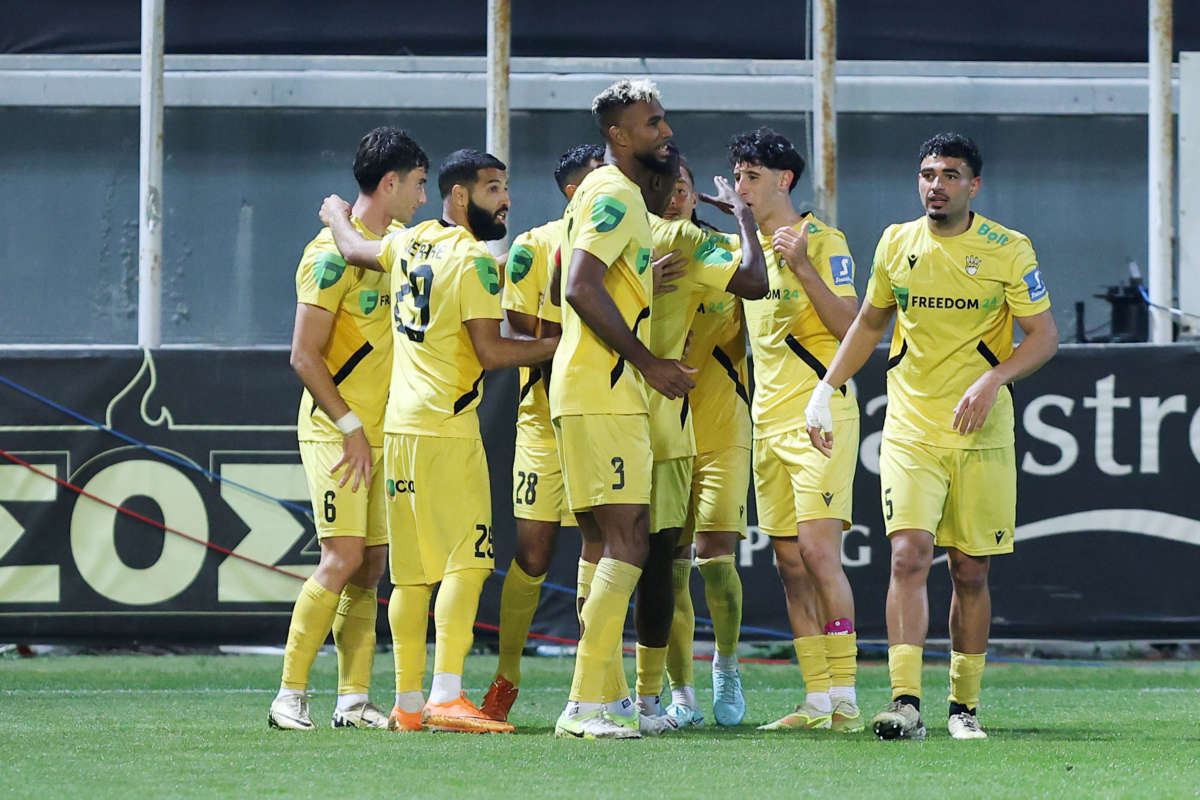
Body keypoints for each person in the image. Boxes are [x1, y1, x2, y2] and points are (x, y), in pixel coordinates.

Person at [805, 132, 1058, 740]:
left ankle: (963, 707)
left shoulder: (1008, 248)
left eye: (949, 175)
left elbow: (1044, 336)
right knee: (908, 555)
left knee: (970, 570)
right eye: (927, 174)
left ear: (974, 185)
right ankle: (906, 703)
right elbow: (869, 324)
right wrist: (825, 388)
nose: (935, 185)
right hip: (910, 427)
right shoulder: (896, 242)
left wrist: (993, 379)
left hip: (979, 431)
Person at [319, 148, 559, 734]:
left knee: (410, 575)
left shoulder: (411, 240)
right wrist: (563, 344)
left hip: (400, 427)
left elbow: (352, 248)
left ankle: (407, 704)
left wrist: (335, 215)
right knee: (469, 564)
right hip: (447, 431)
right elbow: (491, 351)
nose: (506, 200)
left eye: (506, 187)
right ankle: (447, 696)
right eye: (494, 188)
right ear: (460, 195)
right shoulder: (473, 260)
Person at [550, 79, 696, 740]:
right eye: (652, 123)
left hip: (588, 387)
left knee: (604, 542)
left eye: (663, 120)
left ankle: (606, 698)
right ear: (617, 134)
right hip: (603, 387)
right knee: (633, 538)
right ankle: (584, 703)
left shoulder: (603, 193)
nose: (665, 132)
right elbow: (579, 286)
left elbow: (578, 279)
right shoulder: (614, 192)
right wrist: (649, 362)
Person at [269, 127, 428, 731]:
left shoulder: (393, 248)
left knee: (371, 564)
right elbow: (303, 355)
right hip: (338, 433)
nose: (422, 197)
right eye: (417, 184)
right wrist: (351, 426)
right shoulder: (328, 255)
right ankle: (289, 696)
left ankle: (353, 700)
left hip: (385, 432)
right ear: (390, 183)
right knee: (341, 557)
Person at [726, 127, 864, 733]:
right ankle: (816, 698)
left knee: (817, 554)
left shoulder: (823, 241)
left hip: (819, 419)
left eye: (752, 176)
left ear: (784, 180)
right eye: (737, 176)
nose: (741, 186)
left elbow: (854, 328)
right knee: (787, 562)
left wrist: (802, 266)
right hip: (767, 422)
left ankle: (848, 696)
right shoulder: (745, 252)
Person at [635, 147, 767, 726]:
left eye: (684, 188)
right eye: (668, 189)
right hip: (663, 424)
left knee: (715, 559)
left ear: (696, 196)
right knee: (670, 562)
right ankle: (682, 694)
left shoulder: (726, 255)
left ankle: (727, 665)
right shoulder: (638, 255)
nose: (676, 198)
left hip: (721, 423)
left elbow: (760, 300)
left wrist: (745, 220)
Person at [480, 143, 605, 723]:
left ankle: (595, 682)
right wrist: (574, 308)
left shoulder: (626, 240)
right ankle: (507, 675)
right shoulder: (534, 245)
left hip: (605, 415)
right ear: (574, 191)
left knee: (605, 545)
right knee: (533, 552)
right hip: (542, 418)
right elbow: (524, 329)